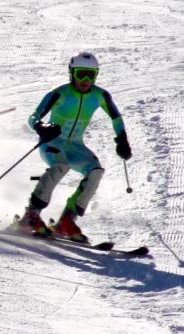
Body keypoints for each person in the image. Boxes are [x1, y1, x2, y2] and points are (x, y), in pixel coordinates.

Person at [16, 52, 132, 242]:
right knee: (61, 166)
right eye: (80, 74)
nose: (85, 80)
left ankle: (67, 221)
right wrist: (41, 127)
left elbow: (116, 117)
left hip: (76, 146)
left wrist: (122, 139)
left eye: (90, 74)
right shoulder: (60, 93)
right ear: (72, 73)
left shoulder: (100, 95)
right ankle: (31, 216)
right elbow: (33, 117)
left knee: (96, 171)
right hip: (53, 143)